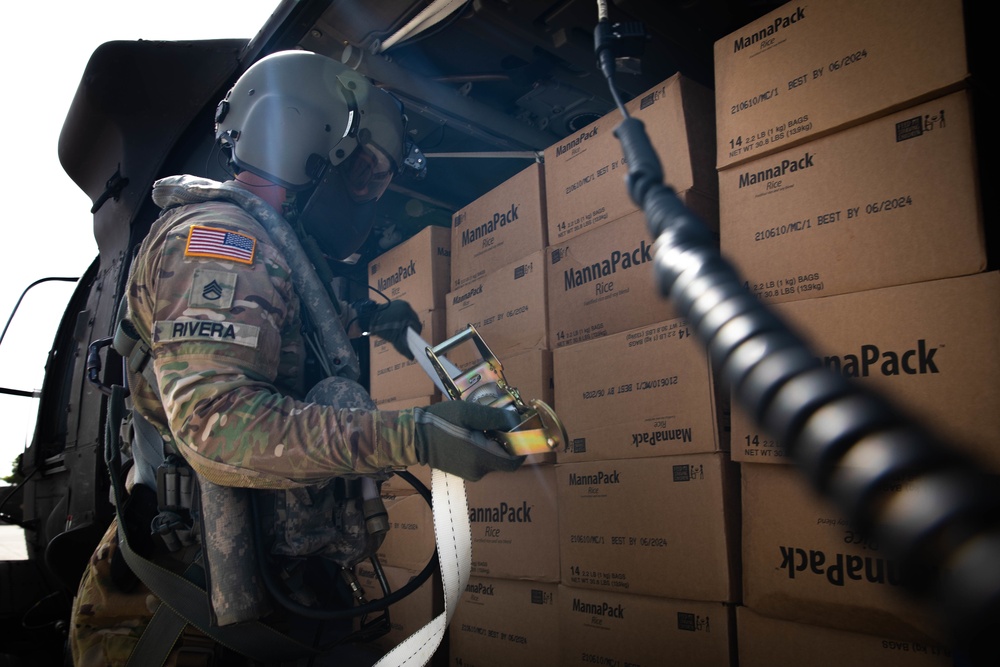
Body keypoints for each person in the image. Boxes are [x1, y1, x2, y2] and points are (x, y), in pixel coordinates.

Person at [69, 49, 524, 666]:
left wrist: (364, 324)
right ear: (307, 142)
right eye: (363, 173)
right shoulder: (218, 243)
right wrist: (412, 437)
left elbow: (276, 344)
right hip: (187, 606)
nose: (367, 195)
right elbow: (217, 427)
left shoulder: (278, 251)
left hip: (272, 583)